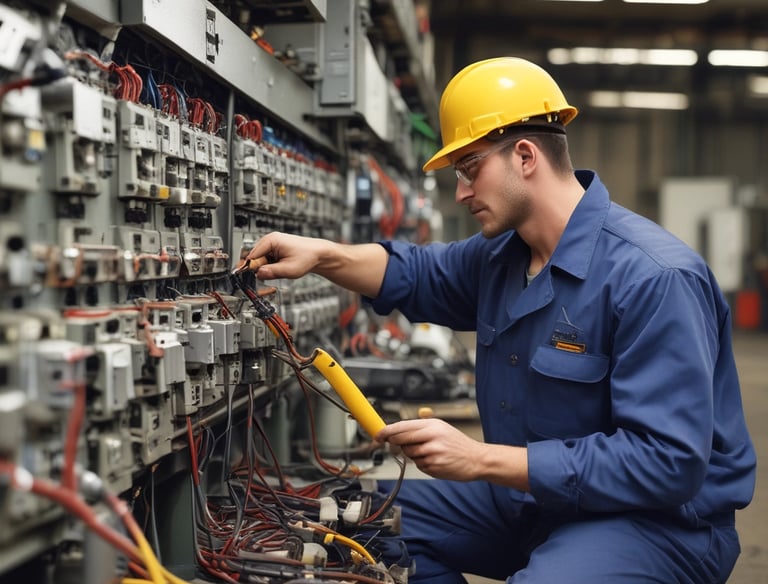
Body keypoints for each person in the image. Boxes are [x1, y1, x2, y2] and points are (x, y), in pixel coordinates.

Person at [244, 57, 757, 583]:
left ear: (526, 156)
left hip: (656, 524)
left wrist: (482, 459)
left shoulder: (653, 277)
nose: (461, 191)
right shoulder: (503, 257)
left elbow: (666, 462)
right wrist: (323, 255)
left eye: (469, 169)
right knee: (361, 526)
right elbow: (419, 274)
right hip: (536, 503)